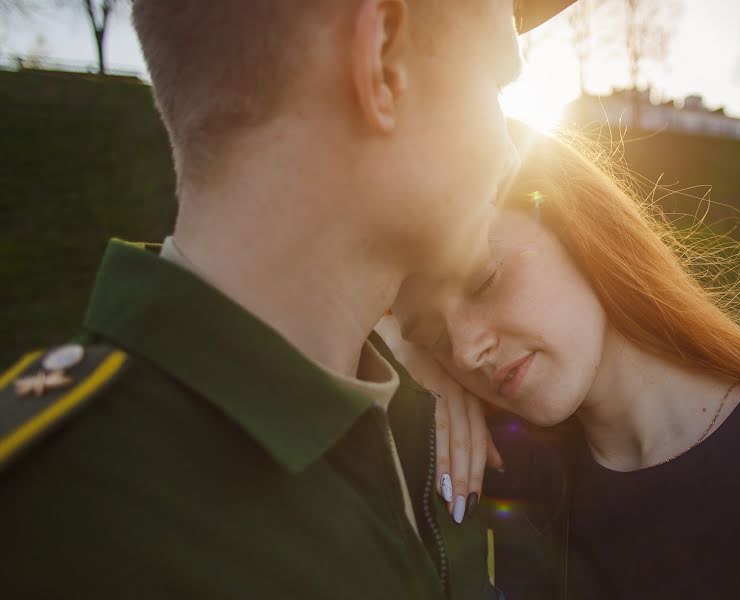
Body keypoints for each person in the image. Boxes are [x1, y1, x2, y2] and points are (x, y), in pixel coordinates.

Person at [0, 1, 576, 597]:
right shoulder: (36, 517)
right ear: (382, 63)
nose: (510, 153)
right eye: (497, 84)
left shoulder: (424, 428)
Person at [380, 123, 740, 598]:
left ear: (575, 227)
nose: (466, 351)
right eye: (433, 336)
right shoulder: (514, 479)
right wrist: (418, 368)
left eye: (484, 280)